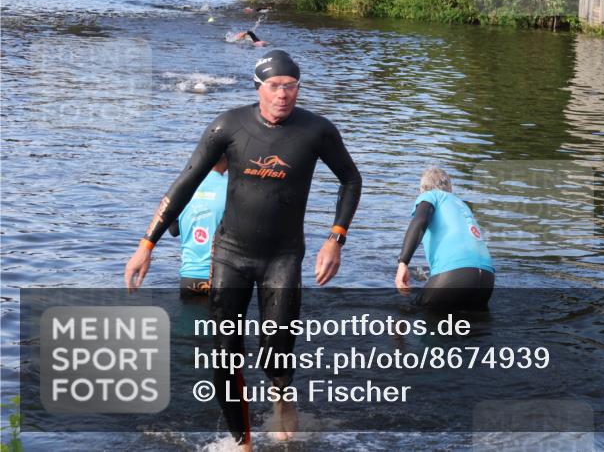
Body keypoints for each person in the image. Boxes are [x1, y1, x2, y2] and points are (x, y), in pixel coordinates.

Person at [124, 50, 362, 450]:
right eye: (275, 87)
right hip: (230, 254)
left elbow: (351, 179)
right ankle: (243, 443)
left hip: (283, 257)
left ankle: (282, 392)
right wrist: (147, 244)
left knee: (276, 352)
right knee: (225, 354)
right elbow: (184, 183)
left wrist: (335, 237)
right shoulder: (229, 125)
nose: (283, 95)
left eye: (291, 87)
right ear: (259, 88)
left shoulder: (316, 131)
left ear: (298, 88)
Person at [395, 166, 494, 310]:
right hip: (486, 279)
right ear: (450, 188)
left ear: (422, 189)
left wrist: (403, 262)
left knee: (412, 313)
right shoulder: (462, 205)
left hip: (454, 275)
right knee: (471, 326)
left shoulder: (430, 196)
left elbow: (420, 221)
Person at [167, 156, 228, 297]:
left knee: (189, 318)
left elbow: (173, 230)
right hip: (222, 276)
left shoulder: (184, 186)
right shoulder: (232, 187)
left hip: (189, 275)